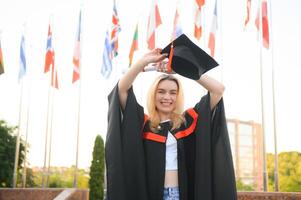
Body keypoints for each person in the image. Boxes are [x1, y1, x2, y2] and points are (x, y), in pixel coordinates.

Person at [105, 47, 237, 199]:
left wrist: (185, 70)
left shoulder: (187, 122)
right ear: (154, 94)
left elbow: (218, 90)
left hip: (180, 194)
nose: (167, 97)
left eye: (173, 92)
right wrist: (143, 62)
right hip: (150, 193)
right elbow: (121, 89)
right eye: (161, 91)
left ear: (178, 96)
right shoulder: (144, 124)